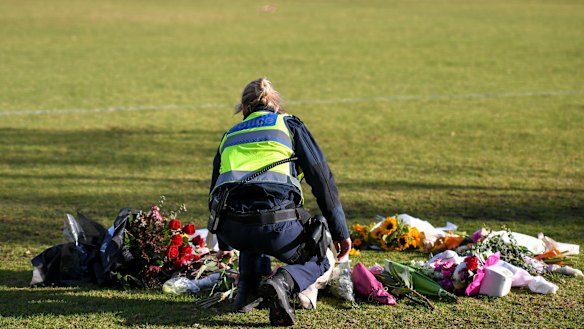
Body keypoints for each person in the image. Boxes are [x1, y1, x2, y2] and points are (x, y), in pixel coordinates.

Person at [209, 77, 351, 326]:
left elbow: (215, 193)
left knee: (249, 218)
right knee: (320, 253)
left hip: (233, 230)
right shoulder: (288, 124)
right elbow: (323, 182)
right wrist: (339, 231)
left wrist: (224, 242)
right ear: (275, 105)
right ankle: (282, 282)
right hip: (277, 228)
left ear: (244, 109)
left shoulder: (229, 135)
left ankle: (247, 290)